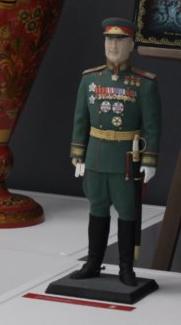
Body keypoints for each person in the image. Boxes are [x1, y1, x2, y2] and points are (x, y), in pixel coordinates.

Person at [69, 18, 160, 286]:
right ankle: (93, 263)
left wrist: (150, 160)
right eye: (109, 39)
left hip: (125, 159)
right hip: (96, 156)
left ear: (131, 45)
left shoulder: (144, 83)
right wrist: (78, 154)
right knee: (97, 208)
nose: (113, 45)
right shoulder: (90, 79)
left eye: (120, 40)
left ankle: (126, 268)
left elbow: (152, 126)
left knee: (127, 211)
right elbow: (80, 119)